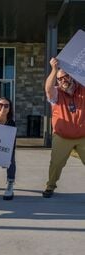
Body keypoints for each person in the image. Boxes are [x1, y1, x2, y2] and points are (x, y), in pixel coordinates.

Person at [42, 57, 85, 198]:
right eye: (59, 79)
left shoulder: (82, 89)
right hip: (62, 137)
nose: (62, 81)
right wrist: (54, 69)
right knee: (56, 164)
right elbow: (48, 88)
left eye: (65, 77)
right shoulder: (56, 92)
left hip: (82, 136)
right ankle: (50, 186)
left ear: (72, 77)